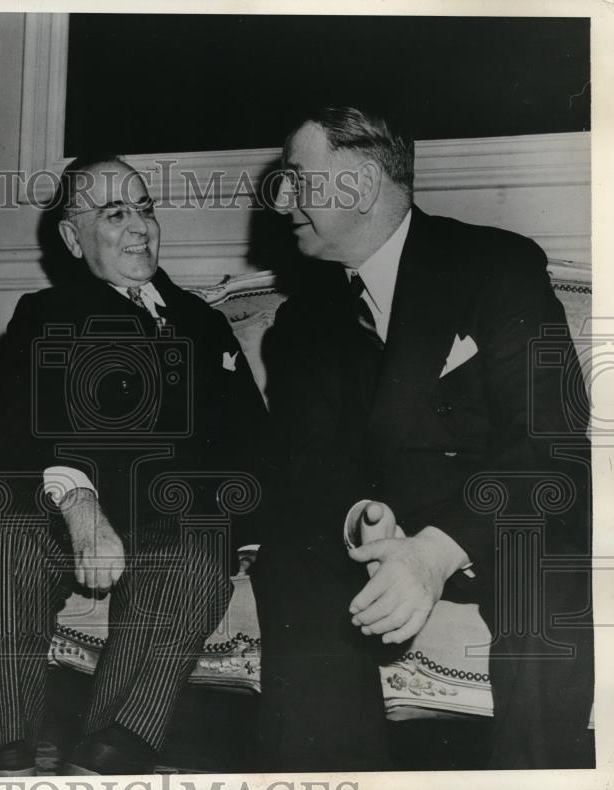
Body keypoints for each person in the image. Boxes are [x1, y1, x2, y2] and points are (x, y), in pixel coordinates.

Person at [253, 104, 593, 771]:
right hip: (378, 530)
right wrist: (361, 520)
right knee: (290, 562)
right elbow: (306, 463)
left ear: (359, 183)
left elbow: (550, 441)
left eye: (297, 178)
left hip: (492, 518)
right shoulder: (300, 321)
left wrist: (434, 554)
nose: (283, 199)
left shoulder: (495, 265)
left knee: (544, 572)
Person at [0, 154, 268, 776]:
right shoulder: (44, 314)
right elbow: (11, 430)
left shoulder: (204, 323)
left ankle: (108, 757)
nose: (139, 227)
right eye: (115, 213)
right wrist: (77, 500)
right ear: (74, 238)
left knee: (196, 557)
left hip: (167, 522)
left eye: (145, 208)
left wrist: (249, 526)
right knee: (3, 542)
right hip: (50, 517)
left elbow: (251, 443)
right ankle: (6, 761)